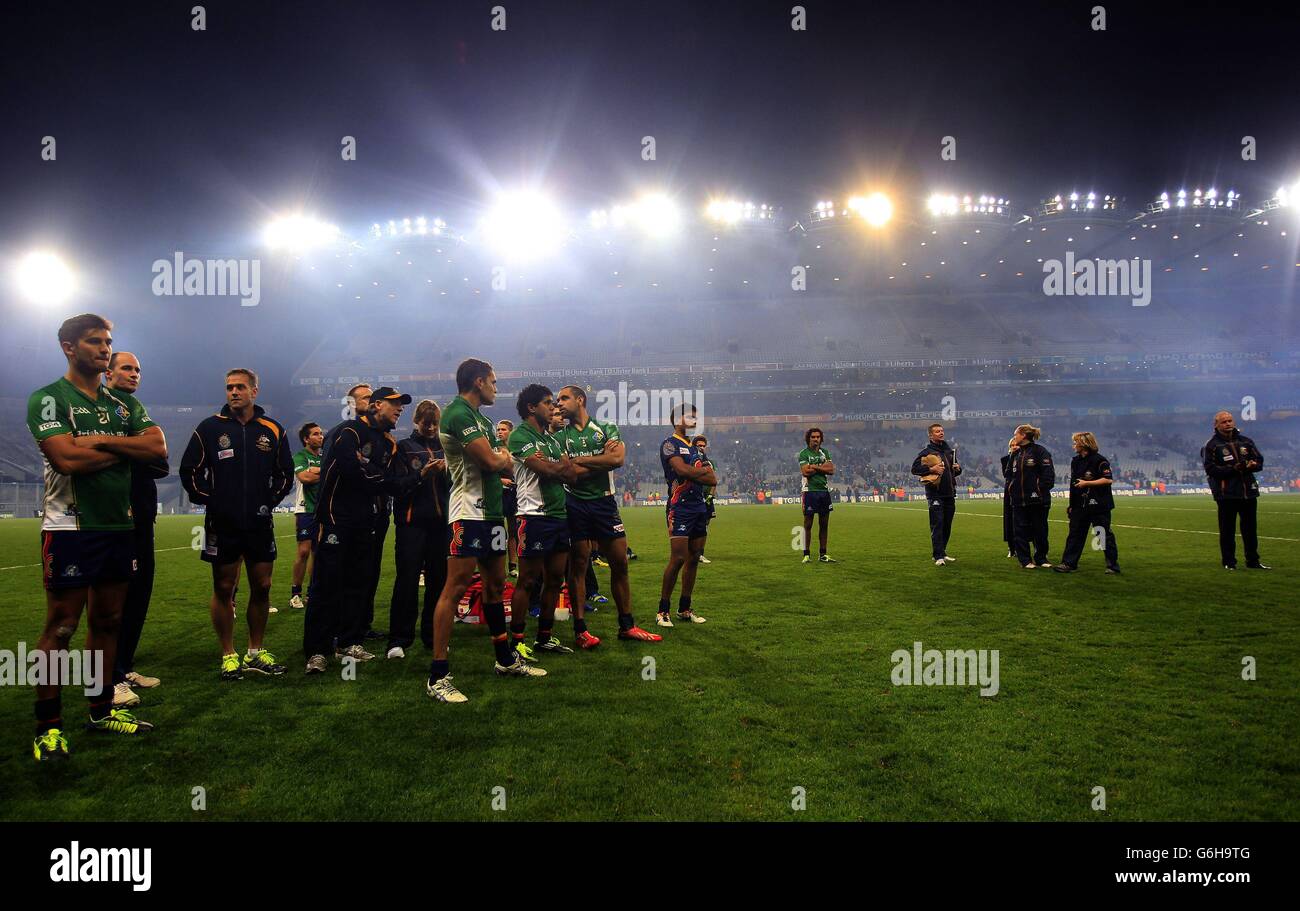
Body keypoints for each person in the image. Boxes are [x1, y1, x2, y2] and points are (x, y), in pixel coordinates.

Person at [28, 314, 166, 759]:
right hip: (69, 527)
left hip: (119, 526)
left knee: (107, 622)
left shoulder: (124, 404)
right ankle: (47, 728)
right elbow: (66, 460)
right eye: (94, 341)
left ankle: (101, 709)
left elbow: (157, 448)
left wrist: (98, 443)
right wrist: (123, 448)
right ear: (69, 347)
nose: (105, 349)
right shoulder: (48, 398)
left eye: (108, 341)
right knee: (63, 626)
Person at [426, 360, 545, 705]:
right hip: (467, 512)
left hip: (492, 513)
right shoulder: (458, 414)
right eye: (493, 382)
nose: (496, 387)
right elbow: (494, 462)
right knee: (456, 587)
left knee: (495, 586)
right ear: (478, 382)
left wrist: (500, 457)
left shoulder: (484, 420)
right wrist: (503, 456)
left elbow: (497, 462)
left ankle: (505, 660)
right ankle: (437, 675)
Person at [180, 368, 293, 680]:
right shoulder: (209, 427)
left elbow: (285, 472)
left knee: (263, 586)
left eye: (240, 387)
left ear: (254, 391)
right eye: (229, 387)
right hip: (222, 522)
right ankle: (228, 653)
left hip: (258, 521)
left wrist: (270, 499)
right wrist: (210, 499)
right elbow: (190, 469)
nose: (233, 392)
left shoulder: (272, 429)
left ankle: (255, 651)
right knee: (224, 587)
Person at [303, 387, 408, 671]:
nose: (400, 409)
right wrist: (381, 478)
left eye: (402, 406)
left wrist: (382, 477)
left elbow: (384, 477)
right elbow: (354, 472)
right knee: (326, 585)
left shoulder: (388, 443)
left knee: (357, 583)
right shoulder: (348, 432)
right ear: (376, 405)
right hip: (335, 518)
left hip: (366, 521)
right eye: (394, 404)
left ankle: (348, 643)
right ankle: (317, 650)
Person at [555, 384, 662, 647]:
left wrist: (580, 462)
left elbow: (617, 459)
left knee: (620, 564)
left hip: (604, 503)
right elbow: (566, 473)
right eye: (557, 400)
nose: (558, 404)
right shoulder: (559, 438)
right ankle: (581, 631)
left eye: (564, 398)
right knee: (578, 566)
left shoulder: (606, 427)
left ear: (580, 400)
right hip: (574, 504)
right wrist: (598, 459)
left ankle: (627, 626)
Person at [103, 352, 168, 708]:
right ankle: (108, 679)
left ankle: (124, 666)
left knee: (140, 592)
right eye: (126, 368)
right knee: (116, 600)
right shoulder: (102, 408)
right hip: (115, 517)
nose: (133, 374)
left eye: (138, 369)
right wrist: (135, 451)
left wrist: (130, 452)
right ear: (108, 372)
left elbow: (160, 457)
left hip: (143, 516)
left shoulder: (133, 408)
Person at [507, 385, 579, 659]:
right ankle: (516, 641)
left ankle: (544, 637)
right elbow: (547, 470)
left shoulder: (552, 440)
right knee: (527, 580)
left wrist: (557, 468)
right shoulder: (519, 436)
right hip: (533, 515)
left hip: (559, 515)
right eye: (548, 403)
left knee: (555, 580)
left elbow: (570, 475)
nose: (554, 407)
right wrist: (557, 468)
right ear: (531, 407)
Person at [387, 399, 448, 659]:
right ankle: (398, 640)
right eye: (426, 423)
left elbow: (457, 485)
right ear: (416, 422)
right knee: (407, 582)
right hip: (411, 524)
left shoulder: (447, 448)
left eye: (435, 423)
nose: (431, 428)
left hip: (441, 525)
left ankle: (432, 636)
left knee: (438, 583)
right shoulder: (403, 448)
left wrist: (447, 473)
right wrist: (422, 475)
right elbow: (395, 485)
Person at [656, 404, 716, 627]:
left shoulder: (698, 450)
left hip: (699, 507)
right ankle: (663, 611)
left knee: (693, 558)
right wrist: (700, 473)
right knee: (678, 558)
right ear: (677, 419)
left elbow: (713, 479)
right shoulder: (669, 444)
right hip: (678, 507)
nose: (694, 421)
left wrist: (696, 474)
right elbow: (681, 471)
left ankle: (684, 608)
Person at [1203, 410, 1270, 570]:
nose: (1228, 424)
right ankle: (1229, 562)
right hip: (1226, 494)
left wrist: (1253, 465)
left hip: (1248, 492)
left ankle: (1253, 561)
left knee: (1250, 530)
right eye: (1224, 422)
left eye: (1230, 421)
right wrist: (1235, 468)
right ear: (1216, 425)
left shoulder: (1246, 441)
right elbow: (1211, 470)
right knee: (1227, 531)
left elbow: (1259, 461)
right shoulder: (1211, 445)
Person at [1054, 432, 1120, 574]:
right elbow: (1074, 485)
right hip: (1080, 505)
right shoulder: (1076, 461)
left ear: (1083, 444)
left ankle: (1112, 565)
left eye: (1075, 443)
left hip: (1099, 505)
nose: (1073, 446)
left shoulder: (1099, 460)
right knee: (1075, 534)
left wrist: (1087, 483)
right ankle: (1068, 563)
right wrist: (1071, 505)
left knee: (1102, 534)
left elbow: (1108, 479)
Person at [911, 423, 962, 567]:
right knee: (937, 524)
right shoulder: (926, 452)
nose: (941, 433)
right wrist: (931, 468)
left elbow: (955, 472)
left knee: (947, 525)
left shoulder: (949, 452)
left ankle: (943, 552)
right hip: (935, 494)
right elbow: (914, 469)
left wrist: (958, 469)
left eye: (942, 430)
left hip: (949, 493)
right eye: (937, 431)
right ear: (930, 435)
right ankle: (937, 555)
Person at [1005, 424, 1055, 569]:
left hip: (1037, 500)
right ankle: (1025, 560)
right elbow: (1008, 474)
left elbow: (1048, 476)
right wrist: (1011, 455)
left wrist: (1038, 491)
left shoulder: (1040, 451)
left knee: (1040, 530)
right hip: (1018, 500)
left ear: (1023, 435)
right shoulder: (1016, 453)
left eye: (1016, 435)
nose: (1014, 437)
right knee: (1020, 531)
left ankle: (1041, 558)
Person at [289, 422, 323, 611]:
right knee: (303, 551)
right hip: (305, 509)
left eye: (321, 434)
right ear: (306, 439)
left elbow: (327, 475)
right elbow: (304, 478)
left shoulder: (325, 457)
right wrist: (322, 472)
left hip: (323, 510)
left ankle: (313, 592)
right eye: (316, 434)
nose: (320, 436)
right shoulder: (300, 456)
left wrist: (317, 471)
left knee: (318, 553)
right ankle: (295, 593)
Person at [798, 428, 837, 563]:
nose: (815, 439)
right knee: (808, 524)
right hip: (809, 491)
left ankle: (823, 554)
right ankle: (806, 554)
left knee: (824, 524)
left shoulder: (825, 452)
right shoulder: (803, 454)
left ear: (821, 438)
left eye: (818, 437)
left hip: (824, 491)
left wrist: (813, 467)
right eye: (813, 437)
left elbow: (831, 470)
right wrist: (821, 467)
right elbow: (805, 472)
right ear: (809, 438)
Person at [497, 419, 520, 578]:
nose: (500, 432)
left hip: (513, 493)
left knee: (513, 530)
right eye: (498, 429)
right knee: (498, 530)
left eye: (503, 429)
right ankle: (496, 565)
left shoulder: (516, 449)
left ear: (510, 431)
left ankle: (513, 566)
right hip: (497, 492)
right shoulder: (492, 448)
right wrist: (500, 481)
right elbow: (485, 470)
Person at [693, 435, 715, 564]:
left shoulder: (709, 462)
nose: (701, 448)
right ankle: (691, 553)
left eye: (703, 446)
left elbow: (714, 481)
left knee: (705, 526)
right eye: (699, 445)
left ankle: (700, 553)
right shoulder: (691, 460)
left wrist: (710, 496)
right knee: (693, 526)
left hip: (706, 499)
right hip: (695, 497)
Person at [1000, 434, 1015, 558]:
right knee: (1009, 519)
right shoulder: (1005, 459)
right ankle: (1011, 548)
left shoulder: (1025, 458)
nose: (1014, 447)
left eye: (1016, 445)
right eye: (1012, 445)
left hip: (1022, 491)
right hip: (1009, 491)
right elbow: (1006, 474)